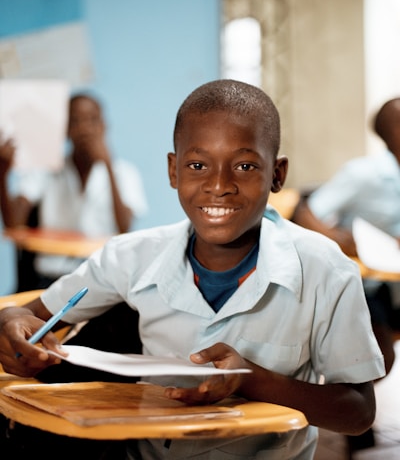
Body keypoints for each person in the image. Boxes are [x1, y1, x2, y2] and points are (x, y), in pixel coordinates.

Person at [0, 80, 385, 460]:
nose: (219, 185)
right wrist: (14, 327)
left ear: (277, 174)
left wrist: (252, 380)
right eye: (198, 165)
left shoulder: (325, 270)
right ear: (173, 170)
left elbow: (358, 412)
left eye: (245, 165)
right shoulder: (130, 256)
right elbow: (29, 315)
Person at [292, 97, 400, 378]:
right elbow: (306, 214)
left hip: (395, 282)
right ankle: (357, 414)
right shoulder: (364, 175)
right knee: (378, 356)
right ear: (388, 136)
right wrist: (342, 240)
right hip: (368, 284)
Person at [0, 93, 148, 290]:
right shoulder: (45, 169)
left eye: (92, 120)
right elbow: (14, 225)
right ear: (65, 129)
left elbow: (125, 227)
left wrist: (107, 164)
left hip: (102, 280)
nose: (85, 128)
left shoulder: (124, 173)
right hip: (50, 279)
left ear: (104, 126)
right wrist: (2, 173)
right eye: (76, 121)